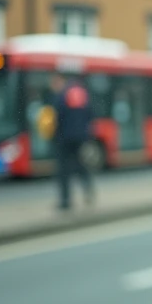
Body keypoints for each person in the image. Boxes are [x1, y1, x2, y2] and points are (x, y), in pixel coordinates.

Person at [51, 72, 95, 211]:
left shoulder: (61, 95)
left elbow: (57, 116)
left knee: (63, 170)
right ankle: (88, 191)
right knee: (81, 165)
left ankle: (66, 201)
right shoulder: (81, 92)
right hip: (81, 136)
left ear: (60, 80)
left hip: (65, 137)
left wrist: (55, 135)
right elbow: (90, 113)